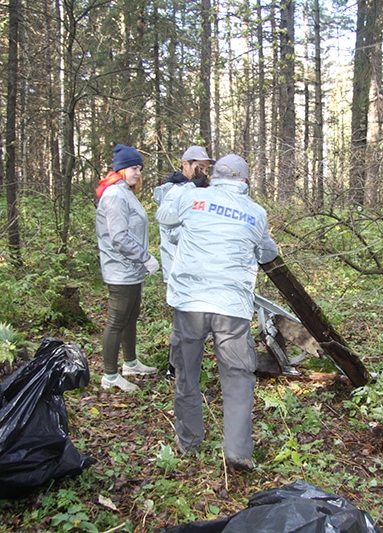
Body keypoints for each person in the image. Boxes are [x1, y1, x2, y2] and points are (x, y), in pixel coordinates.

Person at [155, 153, 278, 472]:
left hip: (189, 303)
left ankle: (189, 442)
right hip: (231, 308)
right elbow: (266, 251)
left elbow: (164, 216)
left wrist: (185, 188)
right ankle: (237, 452)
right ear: (244, 182)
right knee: (237, 378)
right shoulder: (256, 212)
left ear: (215, 177)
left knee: (187, 374)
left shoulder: (194, 196)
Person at [95, 144, 161, 392]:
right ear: (121, 169)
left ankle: (130, 363)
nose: (138, 173)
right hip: (120, 269)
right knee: (117, 320)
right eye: (134, 167)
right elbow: (119, 237)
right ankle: (110, 375)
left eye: (140, 168)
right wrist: (145, 257)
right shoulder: (114, 195)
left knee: (130, 317)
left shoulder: (125, 192)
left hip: (131, 270)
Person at [153, 146, 216, 381]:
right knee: (185, 323)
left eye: (206, 168)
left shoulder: (196, 190)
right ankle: (177, 370)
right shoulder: (177, 192)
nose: (203, 172)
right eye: (199, 167)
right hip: (180, 269)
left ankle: (181, 367)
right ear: (185, 164)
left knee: (195, 322)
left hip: (194, 268)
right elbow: (171, 229)